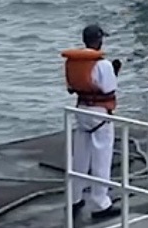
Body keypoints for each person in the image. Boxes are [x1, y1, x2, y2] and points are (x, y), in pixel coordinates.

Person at [63, 24, 122, 219]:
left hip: (80, 110)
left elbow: (71, 88)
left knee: (80, 155)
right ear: (99, 40)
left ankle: (74, 197)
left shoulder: (72, 62)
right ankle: (100, 203)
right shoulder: (103, 64)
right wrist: (114, 72)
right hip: (99, 113)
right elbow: (108, 89)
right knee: (101, 157)